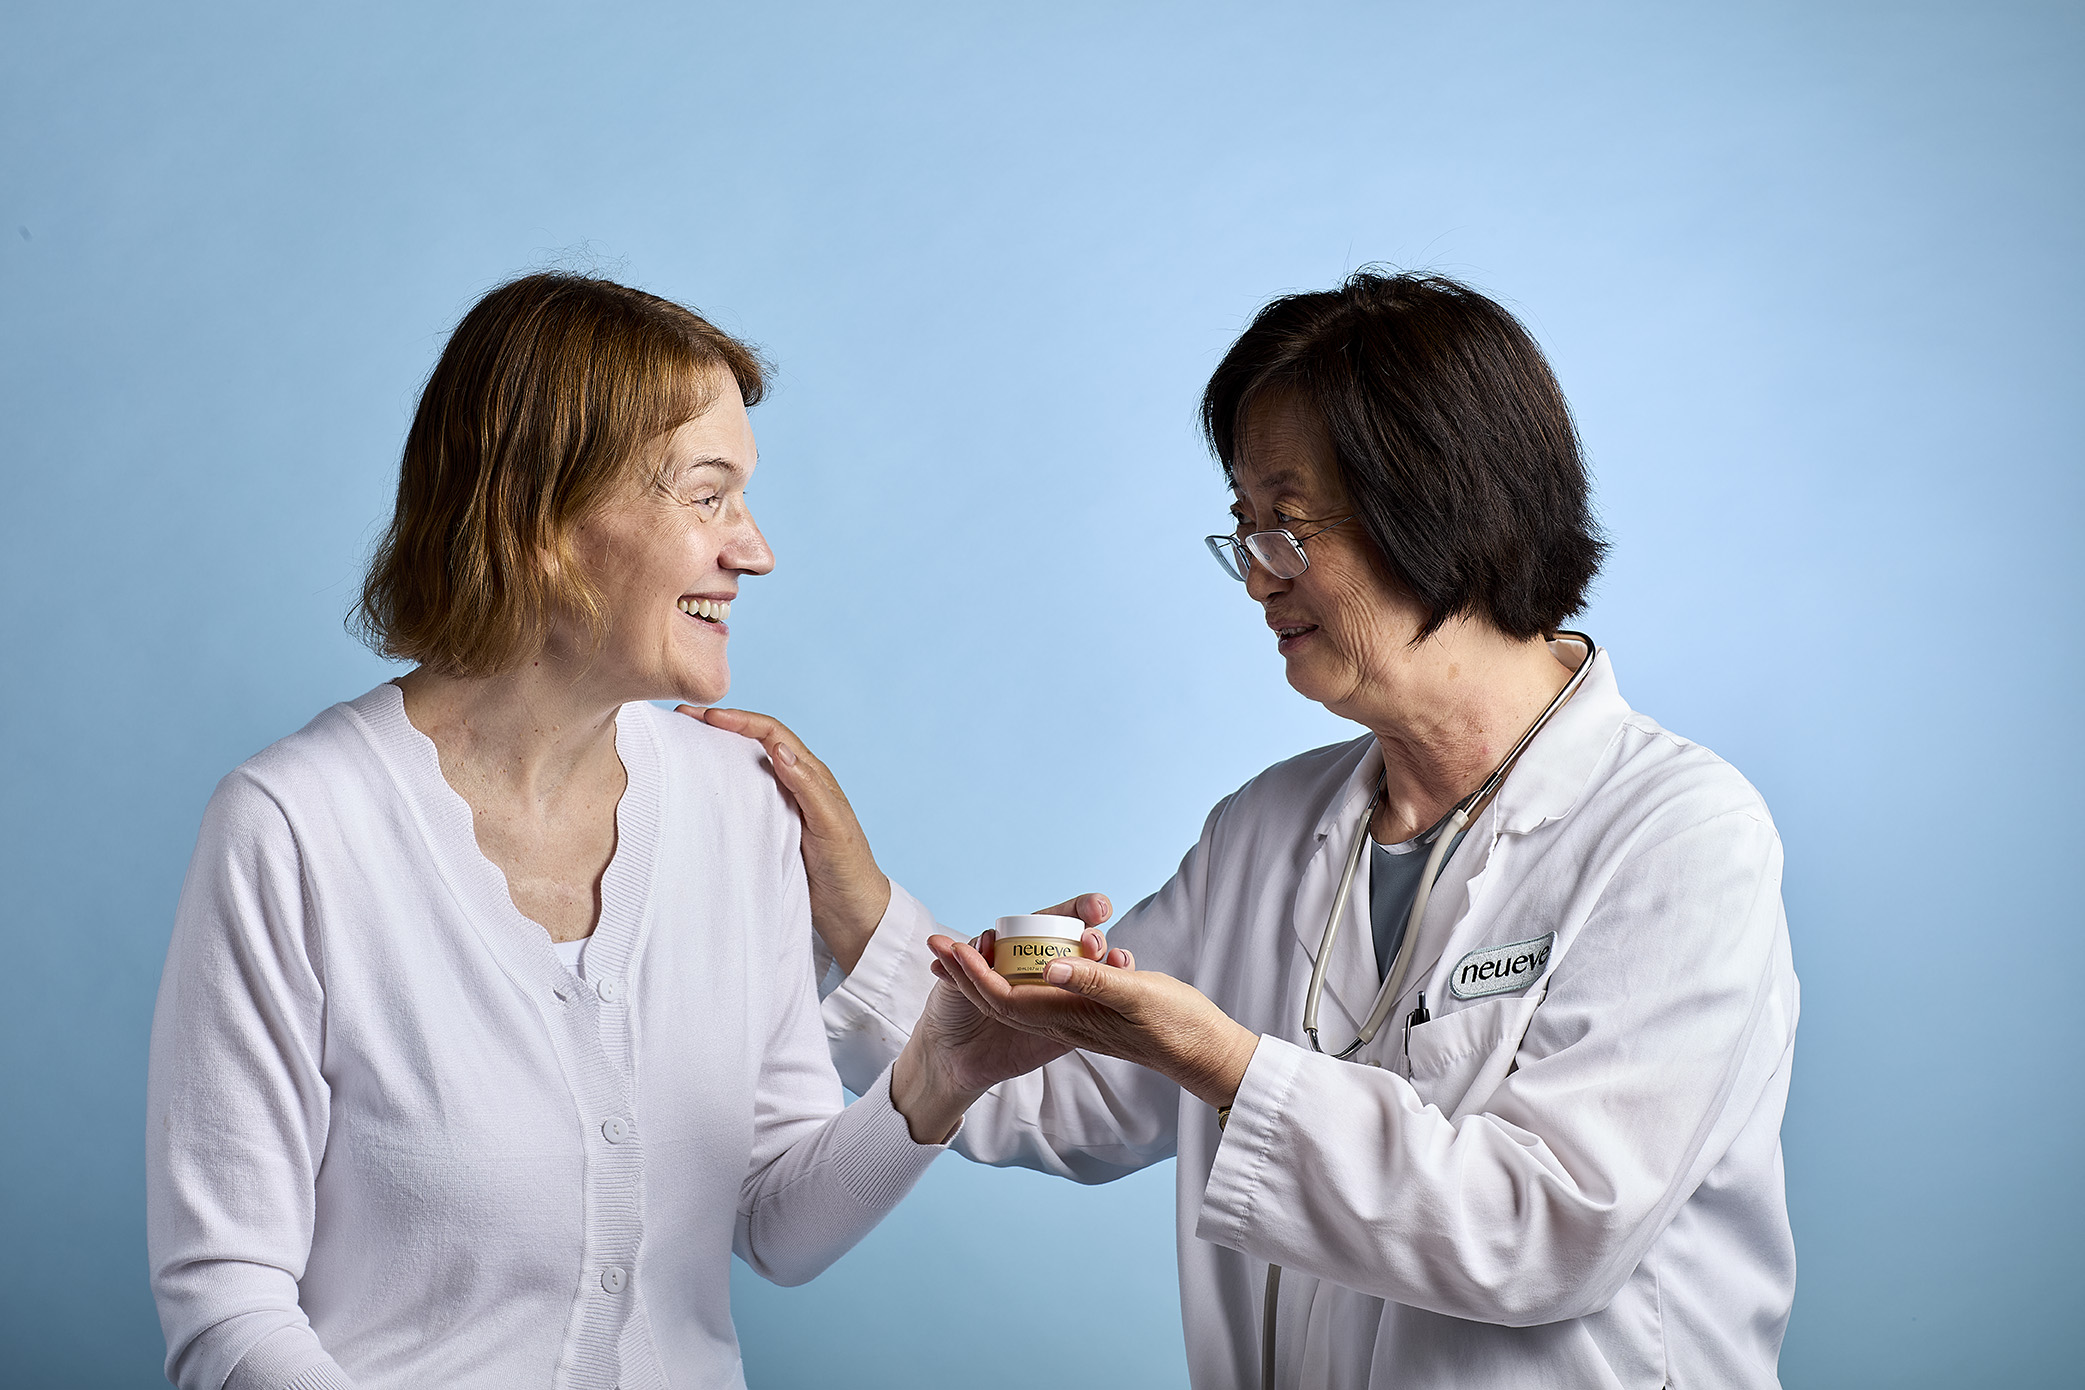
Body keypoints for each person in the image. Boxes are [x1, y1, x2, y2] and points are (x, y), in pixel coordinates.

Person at [699, 271, 1800, 1388]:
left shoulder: (1676, 835)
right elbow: (1061, 1089)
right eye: (1243, 529)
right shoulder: (1271, 828)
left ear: (1444, 502)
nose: (1259, 579)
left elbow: (1551, 1232)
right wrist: (854, 903)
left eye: (1290, 524)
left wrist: (1224, 1062)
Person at [144, 274, 1025, 1390]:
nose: (753, 551)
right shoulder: (294, 828)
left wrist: (939, 1072)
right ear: (542, 514)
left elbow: (773, 1220)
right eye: (709, 497)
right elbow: (226, 1303)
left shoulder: (742, 803)